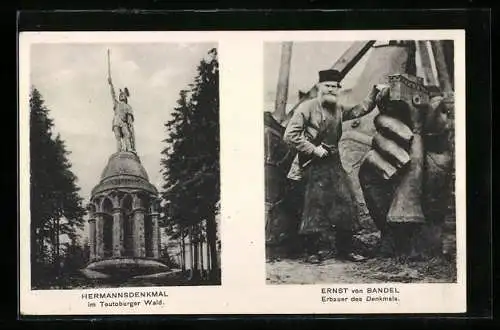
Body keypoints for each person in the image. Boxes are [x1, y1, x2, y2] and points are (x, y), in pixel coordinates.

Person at [283, 68, 387, 263]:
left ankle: (345, 249)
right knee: (314, 206)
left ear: (339, 89)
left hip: (333, 162)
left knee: (345, 202)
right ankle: (311, 252)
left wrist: (374, 92)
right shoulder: (307, 108)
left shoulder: (338, 109)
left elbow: (360, 110)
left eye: (335, 86)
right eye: (327, 86)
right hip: (310, 164)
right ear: (319, 87)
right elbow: (290, 135)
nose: (331, 89)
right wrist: (313, 149)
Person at [108, 77, 135, 152]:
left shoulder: (128, 106)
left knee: (126, 135)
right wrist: (111, 85)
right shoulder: (116, 104)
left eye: (123, 95)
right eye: (120, 95)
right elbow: (113, 95)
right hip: (116, 122)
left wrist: (130, 124)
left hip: (124, 123)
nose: (121, 96)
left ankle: (129, 149)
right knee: (118, 137)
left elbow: (129, 117)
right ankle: (119, 150)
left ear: (126, 97)